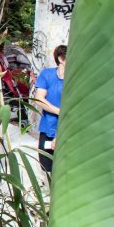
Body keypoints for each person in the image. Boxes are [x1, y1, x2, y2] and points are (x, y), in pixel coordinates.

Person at [33, 44, 67, 174]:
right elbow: (39, 99)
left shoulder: (74, 79)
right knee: (45, 167)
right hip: (48, 128)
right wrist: (59, 111)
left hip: (66, 129)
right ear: (61, 59)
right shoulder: (47, 74)